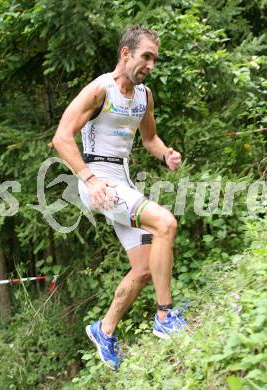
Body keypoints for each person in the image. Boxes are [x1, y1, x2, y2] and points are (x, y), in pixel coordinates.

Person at [52, 25, 187, 370]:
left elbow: (150, 139)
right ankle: (165, 317)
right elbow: (61, 138)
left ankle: (105, 328)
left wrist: (165, 154)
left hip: (122, 178)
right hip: (98, 179)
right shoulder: (100, 89)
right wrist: (90, 179)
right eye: (146, 56)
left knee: (143, 268)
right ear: (126, 54)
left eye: (154, 59)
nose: (150, 65)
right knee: (165, 223)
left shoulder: (144, 96)